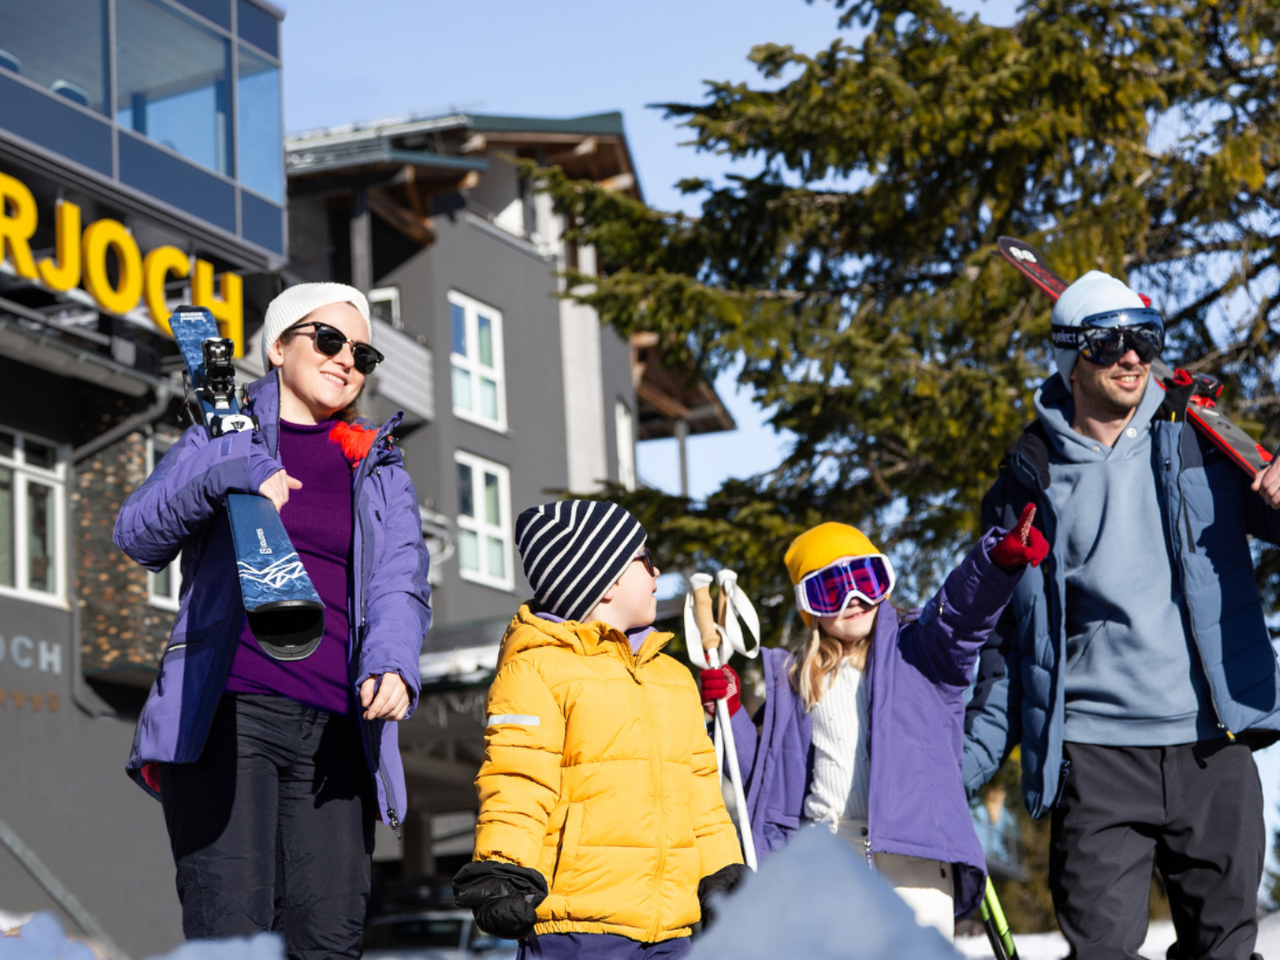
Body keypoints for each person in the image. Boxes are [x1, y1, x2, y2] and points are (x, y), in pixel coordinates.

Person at [964, 269, 1280, 960]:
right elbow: (1006, 644)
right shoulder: (1024, 481)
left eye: (1145, 339)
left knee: (1226, 950)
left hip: (1212, 744)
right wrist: (959, 770)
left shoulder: (1200, 439)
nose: (1133, 357)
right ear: (1070, 356)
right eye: (1108, 344)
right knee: (1101, 952)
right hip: (1096, 755)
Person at [114, 283, 432, 959]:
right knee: (235, 930)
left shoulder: (376, 466)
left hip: (339, 733)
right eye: (328, 339)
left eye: (362, 352)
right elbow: (137, 533)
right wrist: (231, 471)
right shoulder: (221, 436)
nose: (347, 358)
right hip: (230, 711)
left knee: (329, 937)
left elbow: (400, 581)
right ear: (279, 347)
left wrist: (394, 663)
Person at [698, 517, 1046, 940]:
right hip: (826, 854)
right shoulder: (795, 681)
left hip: (912, 852)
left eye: (866, 578)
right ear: (809, 607)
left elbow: (961, 615)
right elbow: (767, 778)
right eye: (831, 589)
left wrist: (994, 562)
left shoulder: (922, 652)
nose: (854, 598)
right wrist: (730, 711)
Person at [453, 500, 746, 960]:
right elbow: (518, 780)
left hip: (670, 929)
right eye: (645, 560)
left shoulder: (672, 678)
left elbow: (701, 791)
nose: (657, 572)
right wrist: (503, 867)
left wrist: (721, 869)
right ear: (605, 581)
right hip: (576, 925)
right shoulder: (538, 670)